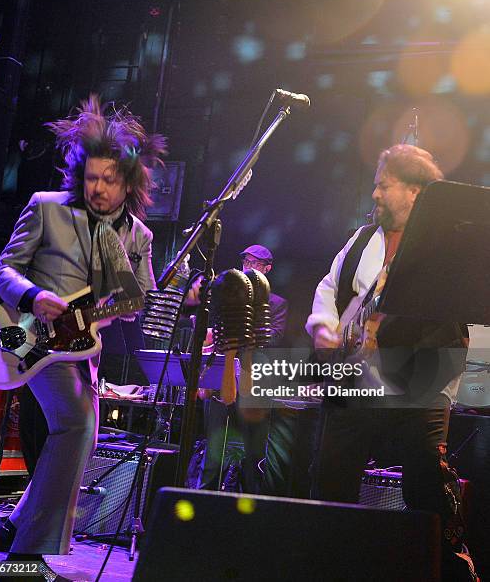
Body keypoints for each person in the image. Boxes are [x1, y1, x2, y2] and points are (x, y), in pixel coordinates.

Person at [0, 95, 165, 579]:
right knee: (79, 425)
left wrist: (137, 301)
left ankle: (16, 523)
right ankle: (27, 552)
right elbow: (3, 266)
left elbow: (139, 299)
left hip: (82, 348)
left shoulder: (139, 237)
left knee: (81, 439)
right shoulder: (45, 208)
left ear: (128, 182)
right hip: (27, 337)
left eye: (110, 179)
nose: (99, 187)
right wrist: (31, 296)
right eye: (92, 177)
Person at [306, 144, 475, 578]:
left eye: (384, 185)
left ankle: (446, 569)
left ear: (416, 193)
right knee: (331, 477)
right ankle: (328, 567)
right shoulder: (361, 240)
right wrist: (323, 325)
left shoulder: (449, 248)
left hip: (421, 381)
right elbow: (329, 289)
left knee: (424, 480)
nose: (375, 194)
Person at [200, 245, 288, 493]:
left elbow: (274, 338)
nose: (248, 267)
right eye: (246, 261)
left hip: (253, 381)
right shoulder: (225, 298)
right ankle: (204, 499)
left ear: (267, 269)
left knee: (252, 451)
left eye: (256, 263)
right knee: (214, 447)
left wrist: (238, 333)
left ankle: (250, 505)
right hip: (223, 378)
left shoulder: (277, 303)